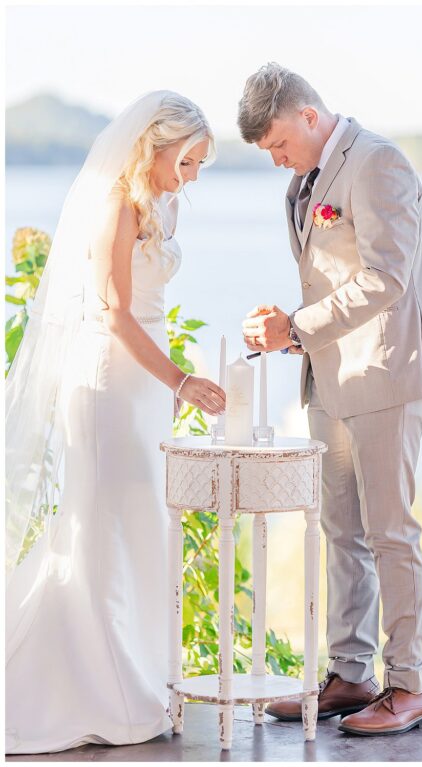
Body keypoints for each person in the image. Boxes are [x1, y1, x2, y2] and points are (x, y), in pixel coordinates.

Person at [5, 91, 224, 753]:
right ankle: (95, 692)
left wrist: (170, 385)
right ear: (156, 144)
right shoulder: (116, 206)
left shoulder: (164, 204)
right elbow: (114, 313)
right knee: (97, 530)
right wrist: (180, 378)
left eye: (198, 166)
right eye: (186, 160)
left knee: (136, 527)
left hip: (145, 389)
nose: (189, 176)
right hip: (107, 389)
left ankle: (132, 676)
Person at [237, 62, 422, 736]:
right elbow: (332, 276)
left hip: (387, 374)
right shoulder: (305, 182)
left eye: (277, 144)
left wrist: (297, 326)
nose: (276, 161)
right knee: (341, 532)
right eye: (267, 153)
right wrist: (289, 329)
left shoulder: (378, 163)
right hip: (330, 379)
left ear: (308, 115)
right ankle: (352, 672)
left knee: (390, 533)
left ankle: (410, 684)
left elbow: (387, 277)